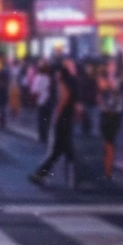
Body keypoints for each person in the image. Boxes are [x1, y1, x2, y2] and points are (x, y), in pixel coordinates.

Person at [30, 58, 78, 186]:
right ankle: (41, 174)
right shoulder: (71, 81)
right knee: (61, 150)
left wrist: (56, 116)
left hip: (63, 119)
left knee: (63, 150)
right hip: (67, 119)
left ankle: (75, 177)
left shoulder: (64, 83)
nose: (56, 75)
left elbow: (63, 99)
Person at [98, 60, 123, 181]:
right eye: (109, 65)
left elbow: (116, 89)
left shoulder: (118, 79)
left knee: (110, 143)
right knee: (107, 143)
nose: (111, 68)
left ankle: (108, 170)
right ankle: (107, 169)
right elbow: (103, 87)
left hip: (115, 115)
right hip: (106, 114)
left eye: (113, 66)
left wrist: (112, 84)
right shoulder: (103, 78)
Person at [32, 61, 53, 145]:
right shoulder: (49, 78)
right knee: (47, 119)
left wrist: (36, 99)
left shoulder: (38, 78)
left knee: (41, 119)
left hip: (41, 101)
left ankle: (42, 136)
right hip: (49, 100)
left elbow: (35, 91)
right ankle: (46, 135)